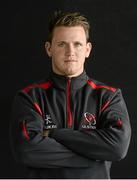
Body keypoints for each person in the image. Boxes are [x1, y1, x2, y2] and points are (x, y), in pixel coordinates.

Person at [10, 11, 131, 179]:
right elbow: (26, 151)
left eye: (77, 44)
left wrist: (54, 134)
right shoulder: (30, 97)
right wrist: (92, 157)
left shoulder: (108, 96)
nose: (70, 51)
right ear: (49, 48)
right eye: (62, 44)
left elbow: (117, 147)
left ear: (88, 49)